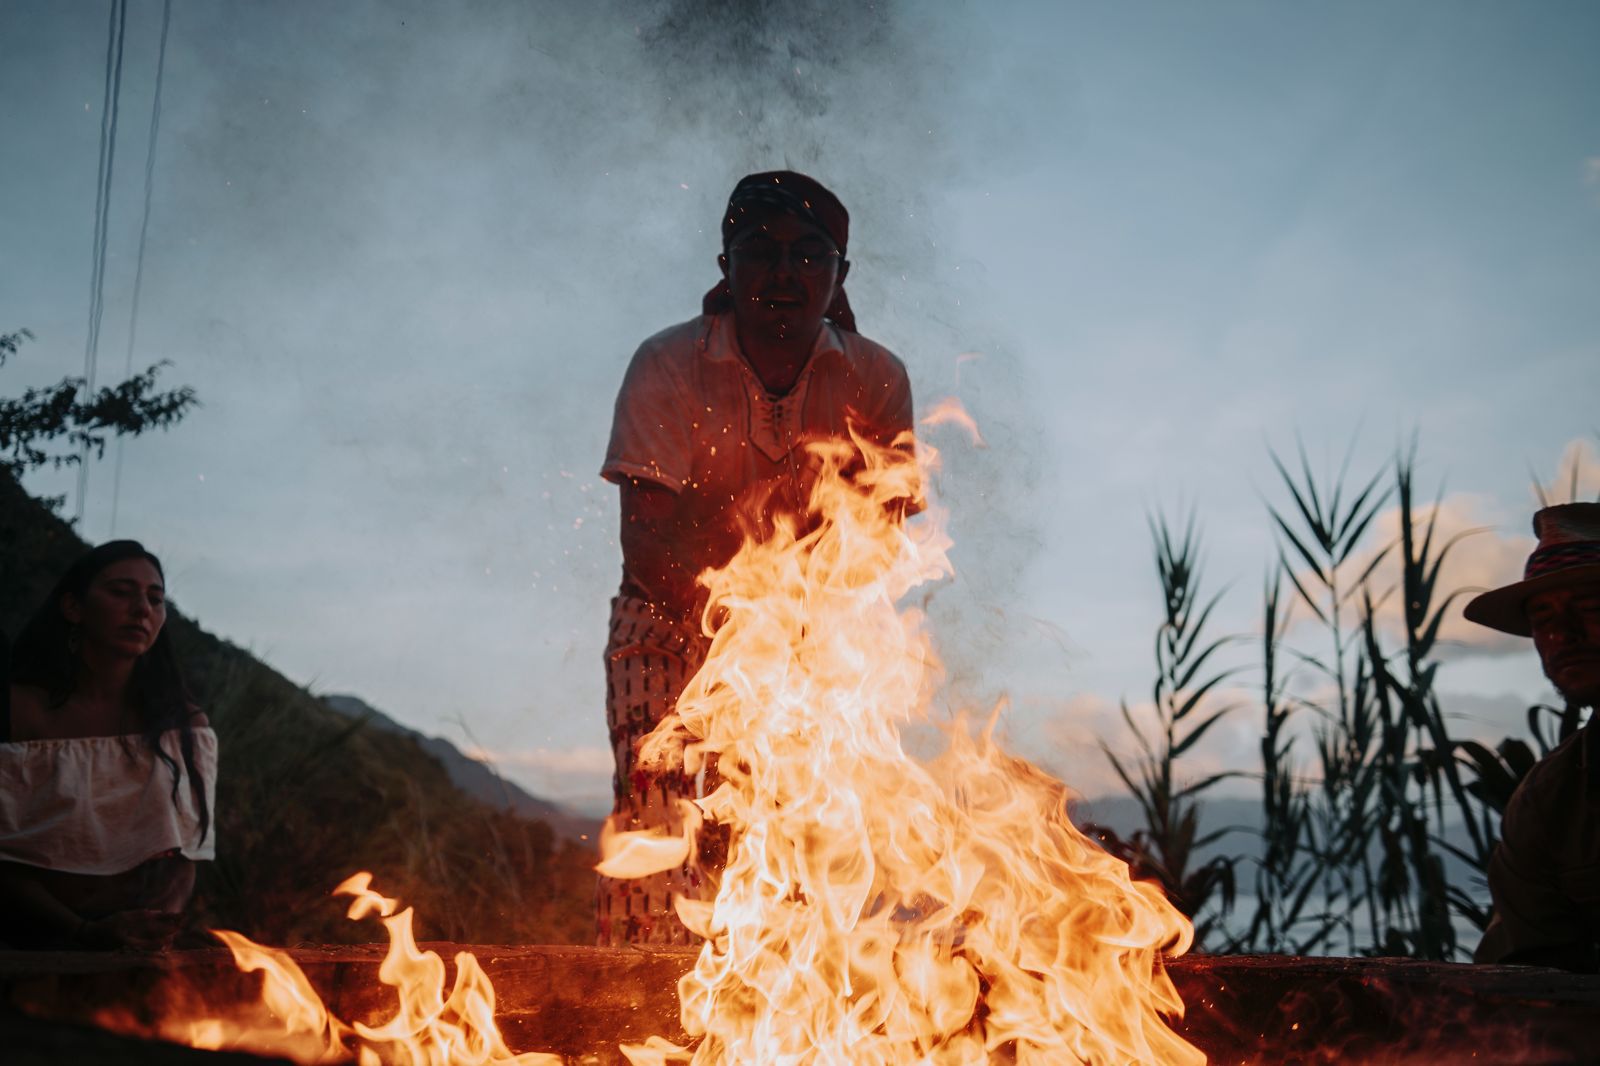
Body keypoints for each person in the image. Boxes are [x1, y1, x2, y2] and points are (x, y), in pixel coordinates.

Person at [596, 171, 915, 945]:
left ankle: (776, 1020)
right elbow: (645, 536)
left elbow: (878, 538)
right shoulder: (667, 364)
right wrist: (732, 628)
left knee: (787, 826)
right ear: (725, 266)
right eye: (760, 252)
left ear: (840, 275)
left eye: (810, 255)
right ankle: (633, 1017)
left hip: (808, 632)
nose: (784, 274)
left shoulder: (876, 377)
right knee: (658, 814)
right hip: (664, 616)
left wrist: (787, 632)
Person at [0, 540, 216, 949]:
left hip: (139, 944)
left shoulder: (185, 726)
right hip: (23, 937)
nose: (142, 609)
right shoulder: (17, 711)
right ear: (73, 608)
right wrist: (82, 933)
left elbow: (187, 857)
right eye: (121, 592)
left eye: (156, 599)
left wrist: (155, 926)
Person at [1468, 503, 1600, 972]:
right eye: (1543, 619)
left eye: (1590, 608)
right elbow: (1528, 988)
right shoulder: (1549, 800)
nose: (1562, 635)